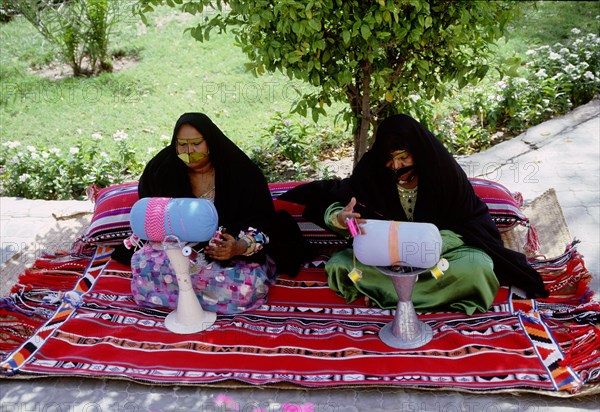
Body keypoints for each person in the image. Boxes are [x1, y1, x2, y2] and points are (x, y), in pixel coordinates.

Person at [279, 114, 548, 315]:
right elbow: (344, 205)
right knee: (341, 268)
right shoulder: (372, 173)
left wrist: (429, 244)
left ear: (418, 153)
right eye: (389, 159)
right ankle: (402, 293)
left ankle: (388, 295)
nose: (396, 166)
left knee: (478, 269)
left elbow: (472, 222)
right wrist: (339, 219)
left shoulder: (445, 176)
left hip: (442, 259)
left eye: (403, 158)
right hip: (386, 259)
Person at [121, 112, 309, 315]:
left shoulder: (241, 172)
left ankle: (183, 296)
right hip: (178, 251)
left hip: (232, 253)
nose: (189, 151)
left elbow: (263, 220)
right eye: (182, 144)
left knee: (242, 286)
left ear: (210, 142)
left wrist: (237, 247)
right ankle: (192, 298)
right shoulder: (162, 170)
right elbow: (152, 213)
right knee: (147, 268)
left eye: (196, 143)